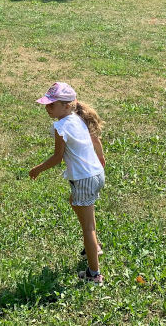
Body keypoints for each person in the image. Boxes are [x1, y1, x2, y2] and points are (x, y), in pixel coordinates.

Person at [29, 81, 106, 284]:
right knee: (76, 203)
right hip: (95, 174)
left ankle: (94, 274)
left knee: (88, 227)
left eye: (52, 104)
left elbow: (57, 158)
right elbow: (95, 140)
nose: (48, 108)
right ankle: (94, 246)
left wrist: (37, 169)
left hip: (84, 179)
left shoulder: (61, 126)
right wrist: (101, 160)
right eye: (47, 104)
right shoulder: (78, 118)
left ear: (67, 105)